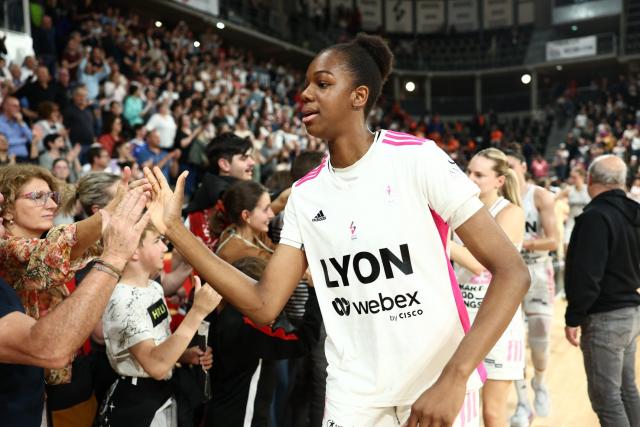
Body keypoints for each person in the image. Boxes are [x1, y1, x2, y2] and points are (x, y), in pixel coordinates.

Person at [145, 33, 529, 427]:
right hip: (353, 396)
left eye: (323, 83)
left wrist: (455, 375)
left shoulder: (417, 159)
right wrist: (175, 229)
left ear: (358, 96)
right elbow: (264, 303)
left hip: (435, 385)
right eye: (307, 83)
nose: (305, 94)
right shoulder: (306, 195)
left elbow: (513, 271)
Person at [0, 187, 151, 427]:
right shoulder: (16, 255)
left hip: (50, 390)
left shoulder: (52, 254)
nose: (51, 204)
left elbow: (68, 247)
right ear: (8, 210)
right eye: (37, 196)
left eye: (52, 196)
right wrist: (114, 253)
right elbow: (50, 347)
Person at [99, 224, 221, 427]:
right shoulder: (122, 300)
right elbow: (154, 366)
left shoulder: (154, 287)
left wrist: (183, 354)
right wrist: (197, 312)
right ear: (134, 251)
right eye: (157, 241)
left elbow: (157, 346)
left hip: (163, 393)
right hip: (136, 403)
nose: (165, 248)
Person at [449, 148, 525, 427]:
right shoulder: (457, 211)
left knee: (493, 414)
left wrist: (440, 241)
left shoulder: (511, 213)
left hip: (498, 323)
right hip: (462, 322)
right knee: (460, 411)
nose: (470, 178)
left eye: (479, 174)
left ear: (499, 181)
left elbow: (479, 263)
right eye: (468, 171)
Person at [564, 155, 640, 427]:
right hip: (631, 312)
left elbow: (586, 275)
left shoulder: (595, 217)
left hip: (605, 316)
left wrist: (573, 316)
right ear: (622, 182)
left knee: (607, 399)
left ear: (590, 180)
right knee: (626, 390)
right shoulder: (635, 213)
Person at [205, 256, 322, 427]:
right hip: (241, 419)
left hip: (221, 412)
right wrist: (314, 290)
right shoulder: (248, 327)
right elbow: (303, 343)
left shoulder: (223, 314)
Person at [505, 150, 558, 425]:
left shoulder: (539, 196)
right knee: (511, 342)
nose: (507, 171)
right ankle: (523, 404)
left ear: (524, 166)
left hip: (537, 271)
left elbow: (553, 241)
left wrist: (520, 242)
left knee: (540, 338)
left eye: (511, 165)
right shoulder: (497, 198)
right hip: (508, 275)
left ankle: (539, 382)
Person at [184, 133, 255, 251]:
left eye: (250, 157)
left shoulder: (204, 196)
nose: (252, 162)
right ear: (224, 164)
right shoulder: (223, 200)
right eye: (244, 158)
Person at [214, 180, 276, 263]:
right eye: (266, 209)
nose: (272, 215)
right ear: (246, 216)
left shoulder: (254, 232)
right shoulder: (240, 253)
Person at [556, 167, 590, 253]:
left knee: (585, 246)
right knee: (566, 244)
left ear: (582, 177)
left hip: (586, 221)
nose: (572, 179)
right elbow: (553, 199)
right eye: (571, 177)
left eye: (575, 177)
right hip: (571, 220)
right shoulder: (569, 190)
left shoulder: (588, 189)